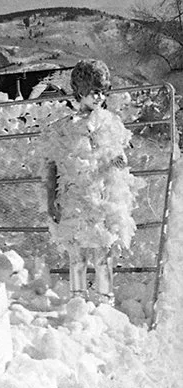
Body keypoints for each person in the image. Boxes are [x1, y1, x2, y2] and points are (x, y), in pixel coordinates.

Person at [42, 59, 136, 303]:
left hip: (102, 198)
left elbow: (119, 154)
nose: (99, 97)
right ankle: (78, 304)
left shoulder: (110, 123)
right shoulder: (63, 128)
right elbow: (51, 166)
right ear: (80, 91)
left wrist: (119, 161)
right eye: (94, 92)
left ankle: (106, 301)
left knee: (103, 256)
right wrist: (51, 199)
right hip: (74, 198)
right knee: (77, 257)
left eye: (103, 92)